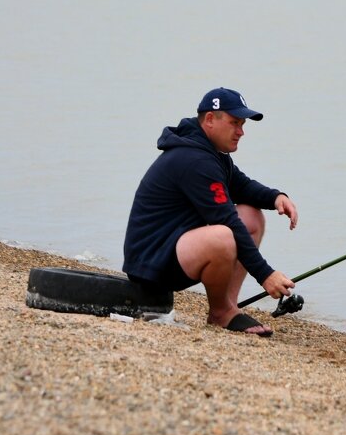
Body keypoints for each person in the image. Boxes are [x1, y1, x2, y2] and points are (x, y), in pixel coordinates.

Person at [123, 87, 297, 337]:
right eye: (234, 123)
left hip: (172, 250)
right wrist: (266, 275)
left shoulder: (210, 153)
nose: (241, 131)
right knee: (223, 236)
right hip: (151, 264)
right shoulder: (195, 160)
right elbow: (227, 220)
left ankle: (229, 306)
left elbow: (242, 186)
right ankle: (221, 313)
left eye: (243, 124)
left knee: (251, 216)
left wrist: (276, 197)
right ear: (210, 119)